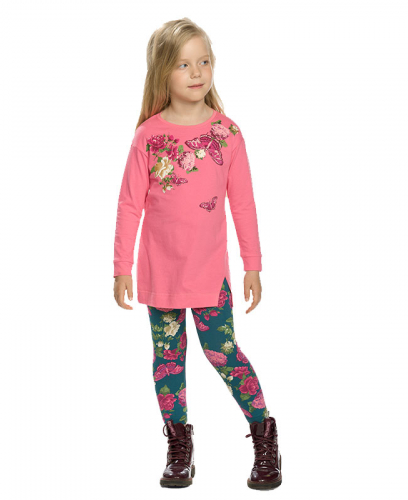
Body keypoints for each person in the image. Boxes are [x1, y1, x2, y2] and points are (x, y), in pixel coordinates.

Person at [113, 18, 282, 490]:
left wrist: (252, 265)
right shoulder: (148, 136)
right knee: (168, 361)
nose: (196, 72)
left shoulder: (227, 133)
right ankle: (178, 446)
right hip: (161, 274)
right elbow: (129, 205)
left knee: (223, 354)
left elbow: (243, 204)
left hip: (210, 275)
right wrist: (121, 267)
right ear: (162, 71)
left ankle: (264, 434)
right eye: (184, 64)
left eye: (203, 61)